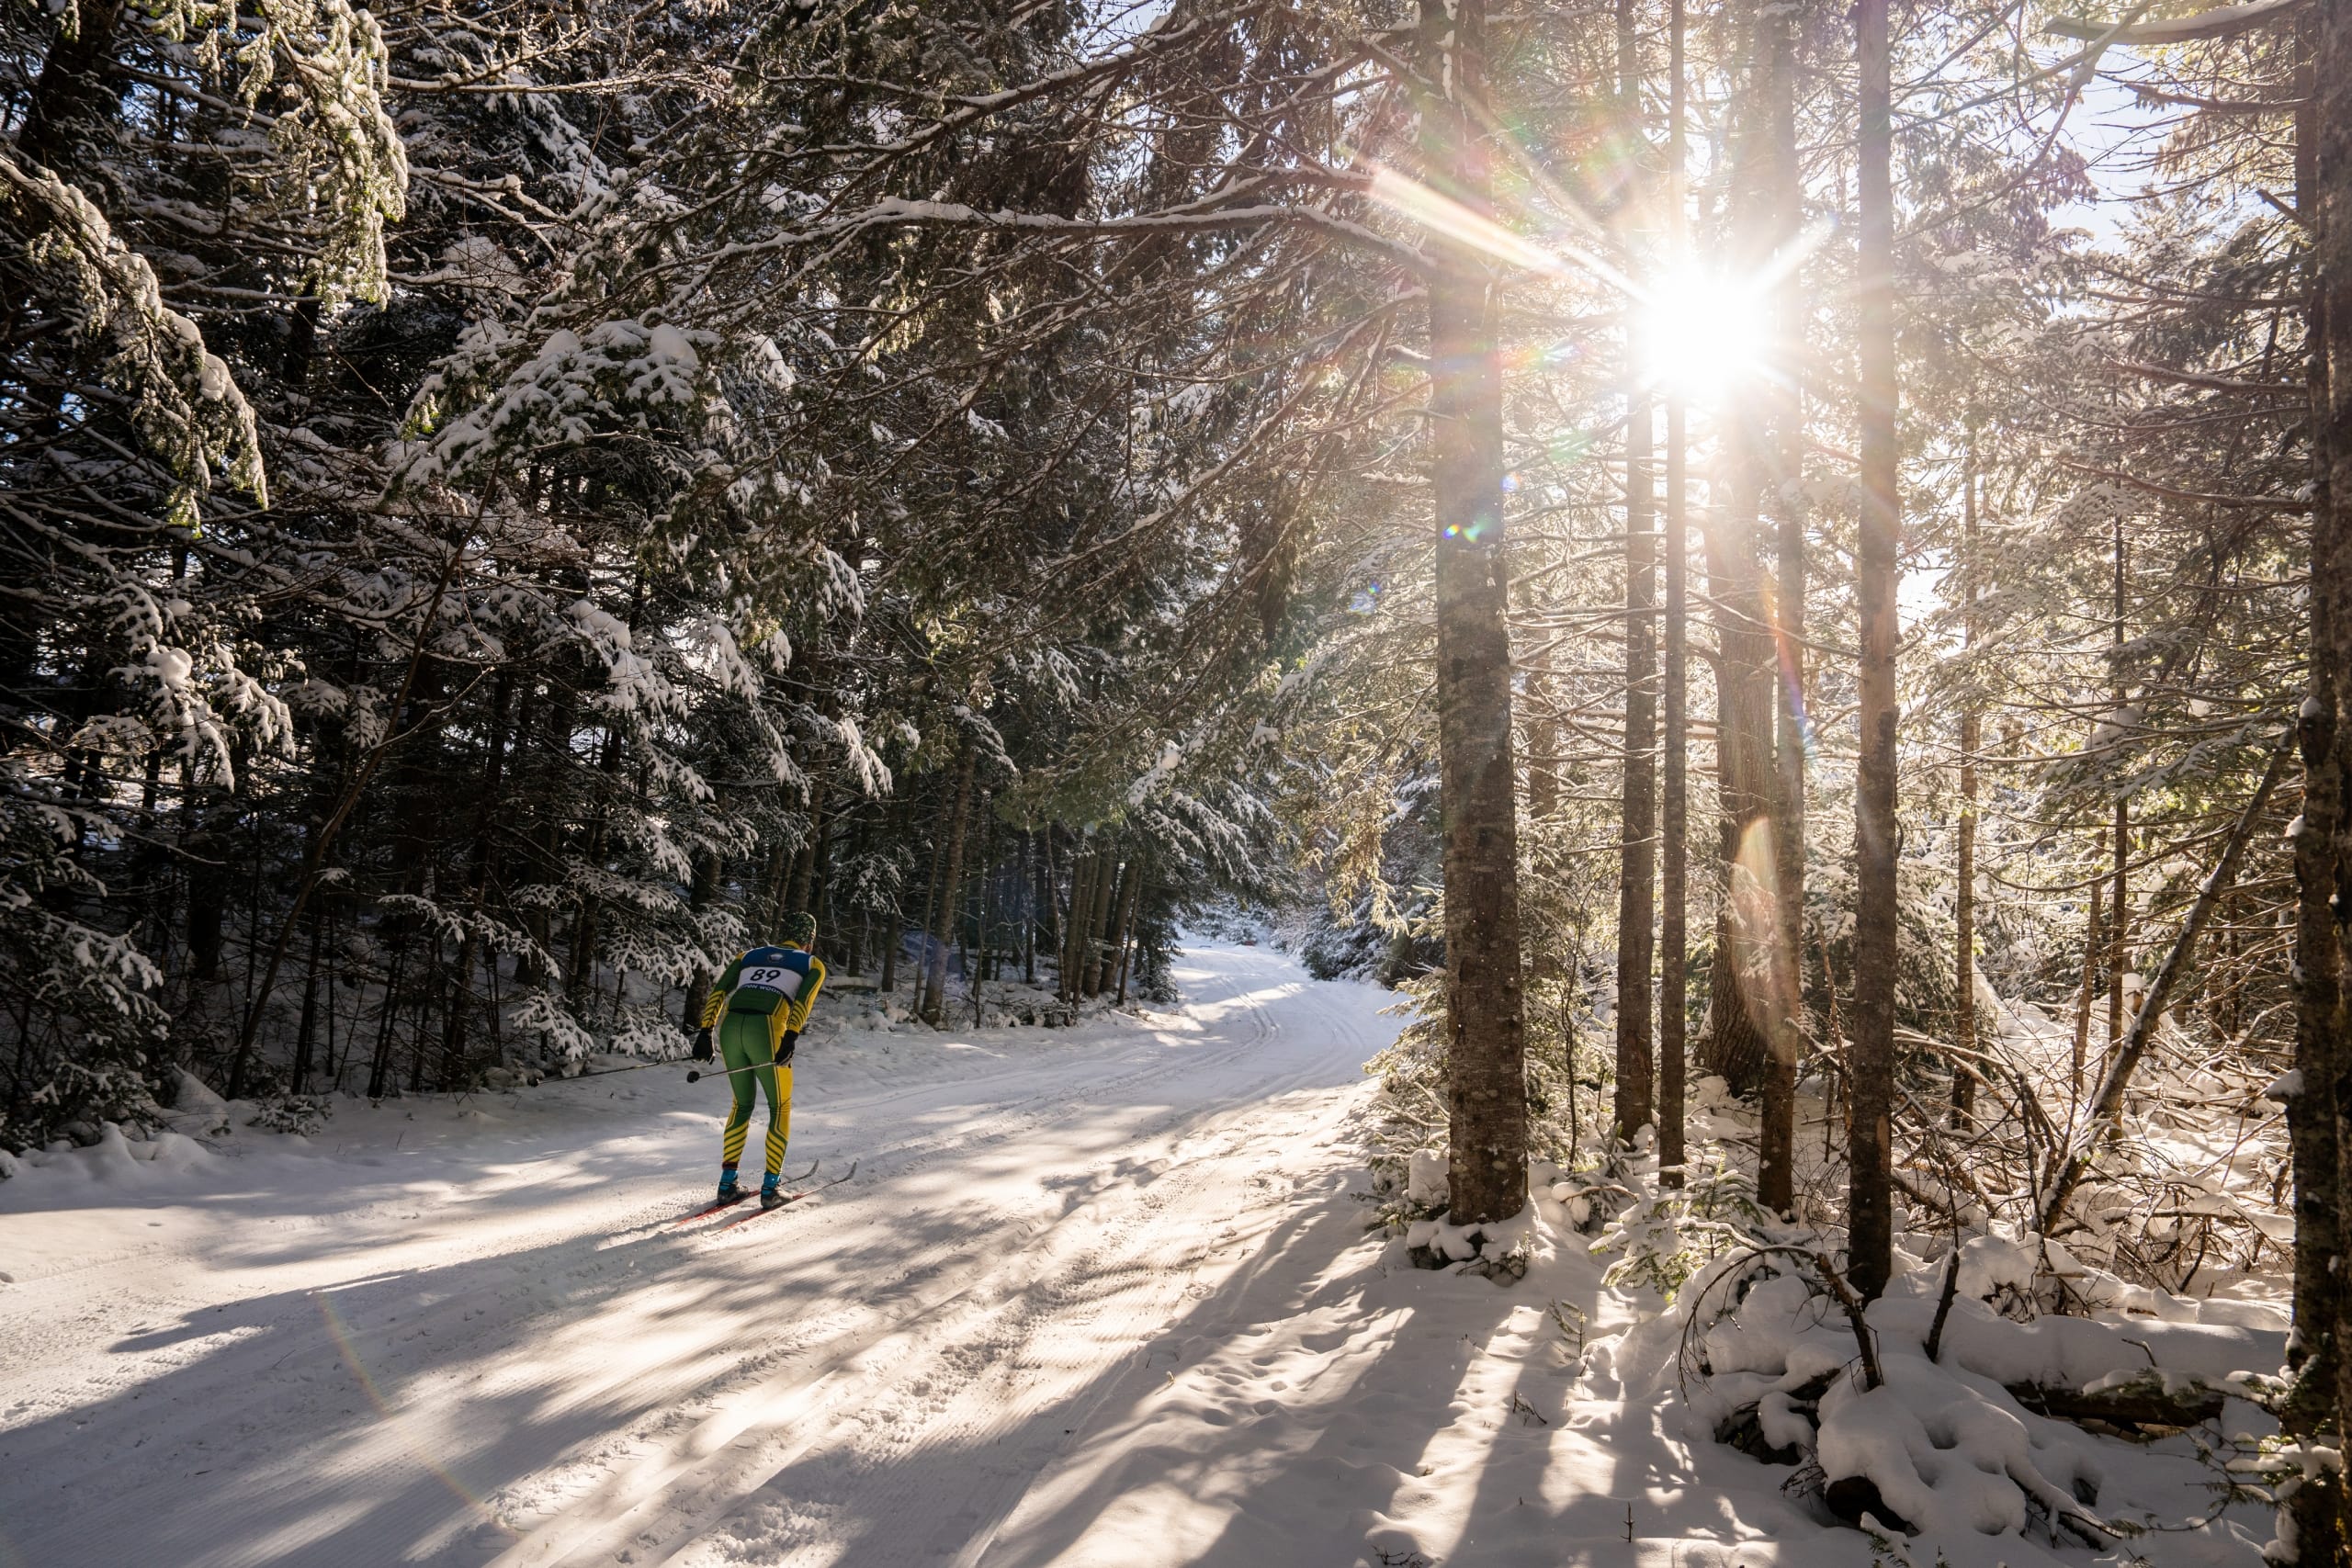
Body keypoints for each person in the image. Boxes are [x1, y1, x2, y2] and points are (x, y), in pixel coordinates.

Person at [693, 911, 826, 1208]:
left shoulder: (748, 955)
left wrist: (705, 1032)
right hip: (767, 1029)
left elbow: (719, 991)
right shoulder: (811, 963)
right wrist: (790, 1037)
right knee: (780, 1105)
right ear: (809, 941)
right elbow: (802, 1003)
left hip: (730, 1028)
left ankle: (727, 1184)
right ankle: (771, 1187)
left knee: (742, 1104)